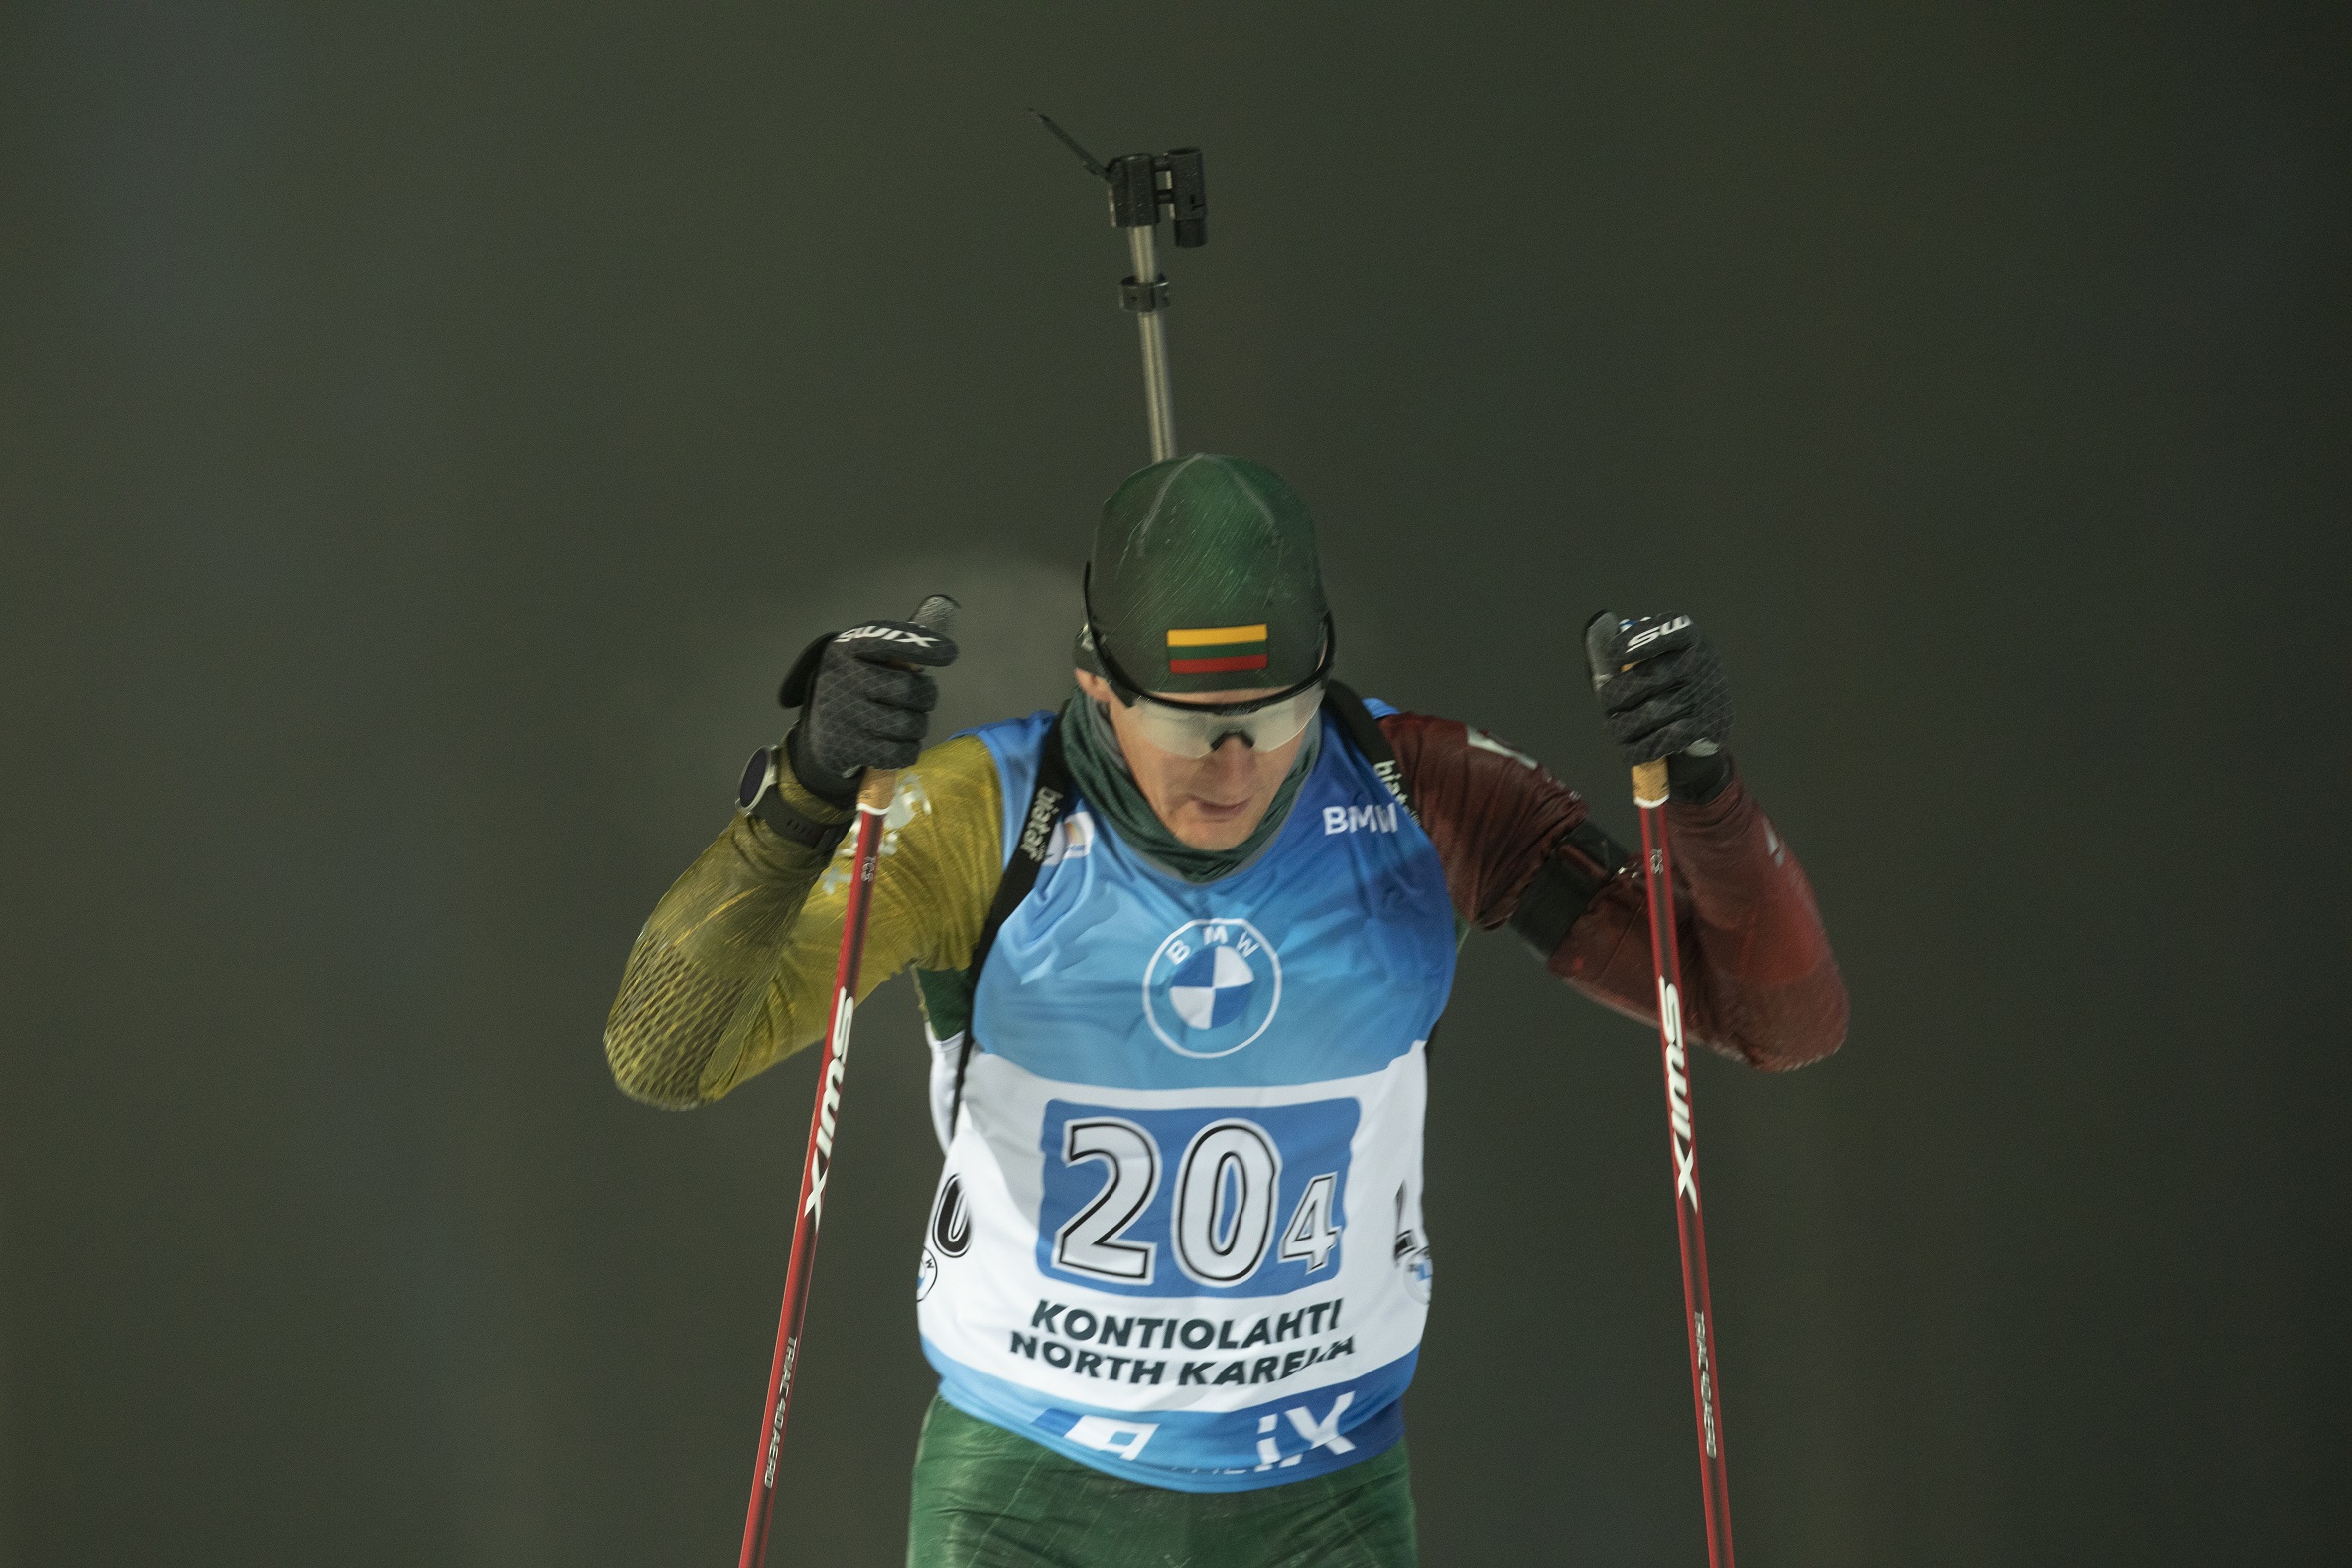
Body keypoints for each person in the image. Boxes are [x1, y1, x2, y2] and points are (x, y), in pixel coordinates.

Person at [604, 454, 1847, 1567]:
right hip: (1030, 1487)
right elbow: (666, 1050)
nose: (1236, 765)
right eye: (1188, 724)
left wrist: (1705, 793)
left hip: (1322, 1489)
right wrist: (803, 796)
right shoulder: (984, 816)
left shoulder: (1423, 792)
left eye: (1274, 714)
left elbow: (1778, 1021)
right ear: (1099, 685)